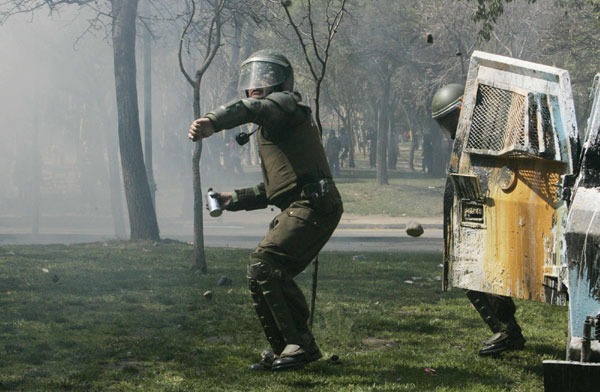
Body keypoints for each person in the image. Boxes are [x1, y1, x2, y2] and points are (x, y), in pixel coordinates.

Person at [188, 49, 343, 371]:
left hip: (315, 203)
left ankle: (301, 346)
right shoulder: (273, 127)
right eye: (252, 79)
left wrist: (213, 122)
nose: (257, 84)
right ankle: (284, 348)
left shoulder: (287, 104)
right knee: (260, 272)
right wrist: (233, 199)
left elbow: (253, 108)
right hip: (304, 202)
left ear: (282, 82)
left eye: (266, 77)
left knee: (265, 263)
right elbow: (275, 189)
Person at [431, 83, 526, 357]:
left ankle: (507, 330)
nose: (449, 127)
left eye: (450, 119)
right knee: (470, 274)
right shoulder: (470, 139)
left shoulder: (485, 135)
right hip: (478, 214)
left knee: (483, 274)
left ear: (462, 110)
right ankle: (506, 331)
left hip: (494, 214)